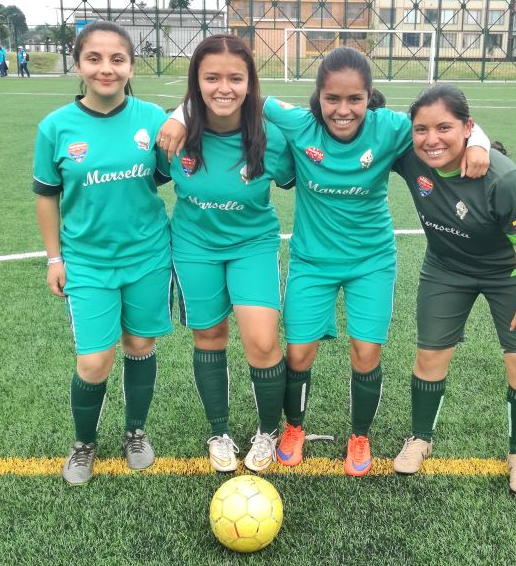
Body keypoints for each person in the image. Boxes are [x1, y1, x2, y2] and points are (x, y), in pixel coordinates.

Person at [158, 47, 491, 477]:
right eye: (332, 99)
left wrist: (478, 141)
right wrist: (180, 116)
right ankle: (292, 428)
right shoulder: (298, 125)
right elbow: (243, 97)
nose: (343, 109)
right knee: (298, 353)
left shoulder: (389, 128)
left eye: (354, 99)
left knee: (366, 349)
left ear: (369, 97)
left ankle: (359, 435)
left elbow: (439, 125)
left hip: (371, 259)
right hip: (312, 261)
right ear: (317, 98)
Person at [388, 84, 516, 497]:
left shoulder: (504, 179)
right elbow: (368, 126)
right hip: (446, 269)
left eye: (445, 127)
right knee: (429, 356)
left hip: (509, 274)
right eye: (421, 129)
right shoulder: (409, 156)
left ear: (468, 127)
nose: (431, 139)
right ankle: (420, 438)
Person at [32, 20, 173, 485]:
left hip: (148, 254)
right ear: (78, 64)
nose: (106, 69)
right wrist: (55, 258)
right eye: (94, 58)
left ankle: (135, 431)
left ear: (131, 65)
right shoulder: (55, 127)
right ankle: (84, 442)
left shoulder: (153, 119)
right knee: (94, 360)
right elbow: (47, 195)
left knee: (139, 344)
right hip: (87, 261)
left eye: (117, 59)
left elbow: (169, 169)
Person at [158, 35, 295, 473]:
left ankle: (267, 432)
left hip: (251, 246)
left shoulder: (271, 137)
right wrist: (179, 115)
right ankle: (219, 432)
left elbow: (317, 146)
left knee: (262, 341)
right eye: (211, 77)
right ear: (195, 82)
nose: (223, 88)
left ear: (251, 82)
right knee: (210, 337)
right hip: (194, 248)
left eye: (235, 78)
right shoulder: (172, 135)